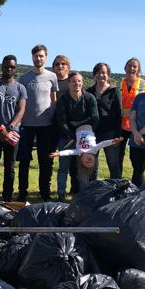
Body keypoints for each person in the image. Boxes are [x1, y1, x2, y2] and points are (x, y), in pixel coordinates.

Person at [15, 45, 58, 202]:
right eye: (36, 56)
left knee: (45, 161)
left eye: (41, 56)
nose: (38, 58)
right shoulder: (24, 78)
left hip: (45, 125)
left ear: (45, 57)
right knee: (24, 161)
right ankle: (22, 192)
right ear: (32, 57)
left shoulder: (52, 77)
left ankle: (44, 192)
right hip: (26, 125)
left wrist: (52, 118)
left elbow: (54, 99)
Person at [0, 55, 26, 202]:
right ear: (1, 67)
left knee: (10, 167)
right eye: (6, 66)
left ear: (15, 68)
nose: (9, 69)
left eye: (12, 67)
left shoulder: (20, 88)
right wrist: (0, 129)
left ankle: (7, 197)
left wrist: (11, 128)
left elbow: (21, 110)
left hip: (13, 133)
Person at [55, 72, 98, 201]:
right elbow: (62, 122)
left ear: (82, 83)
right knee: (64, 167)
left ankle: (87, 194)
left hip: (86, 137)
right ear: (68, 83)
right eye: (73, 81)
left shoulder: (89, 98)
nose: (76, 84)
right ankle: (61, 194)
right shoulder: (63, 100)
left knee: (86, 167)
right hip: (67, 137)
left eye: (79, 81)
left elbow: (95, 118)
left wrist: (83, 133)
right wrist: (74, 135)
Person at [49, 125, 123, 189]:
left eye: (87, 162)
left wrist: (58, 153)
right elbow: (102, 144)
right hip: (89, 128)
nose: (89, 160)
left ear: (81, 159)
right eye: (92, 161)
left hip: (78, 129)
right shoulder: (94, 150)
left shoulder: (79, 152)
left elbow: (69, 152)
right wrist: (112, 141)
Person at [86, 62, 122, 179]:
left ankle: (116, 189)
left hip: (110, 132)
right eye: (99, 72)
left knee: (113, 164)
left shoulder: (114, 91)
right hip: (93, 133)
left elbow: (118, 113)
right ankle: (93, 189)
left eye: (104, 73)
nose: (101, 75)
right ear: (95, 74)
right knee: (92, 163)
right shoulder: (88, 92)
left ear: (108, 75)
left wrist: (118, 134)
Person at [52, 55, 80, 193]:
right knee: (53, 160)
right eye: (57, 64)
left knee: (74, 163)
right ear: (53, 67)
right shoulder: (50, 81)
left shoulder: (73, 83)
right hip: (52, 126)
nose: (60, 66)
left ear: (68, 67)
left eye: (63, 64)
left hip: (71, 129)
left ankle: (75, 190)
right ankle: (50, 190)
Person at [118, 57, 145, 175]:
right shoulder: (119, 83)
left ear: (138, 69)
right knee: (118, 155)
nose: (132, 68)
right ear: (125, 68)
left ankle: (138, 181)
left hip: (137, 125)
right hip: (121, 126)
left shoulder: (144, 84)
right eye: (129, 66)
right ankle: (117, 179)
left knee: (136, 156)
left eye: (135, 66)